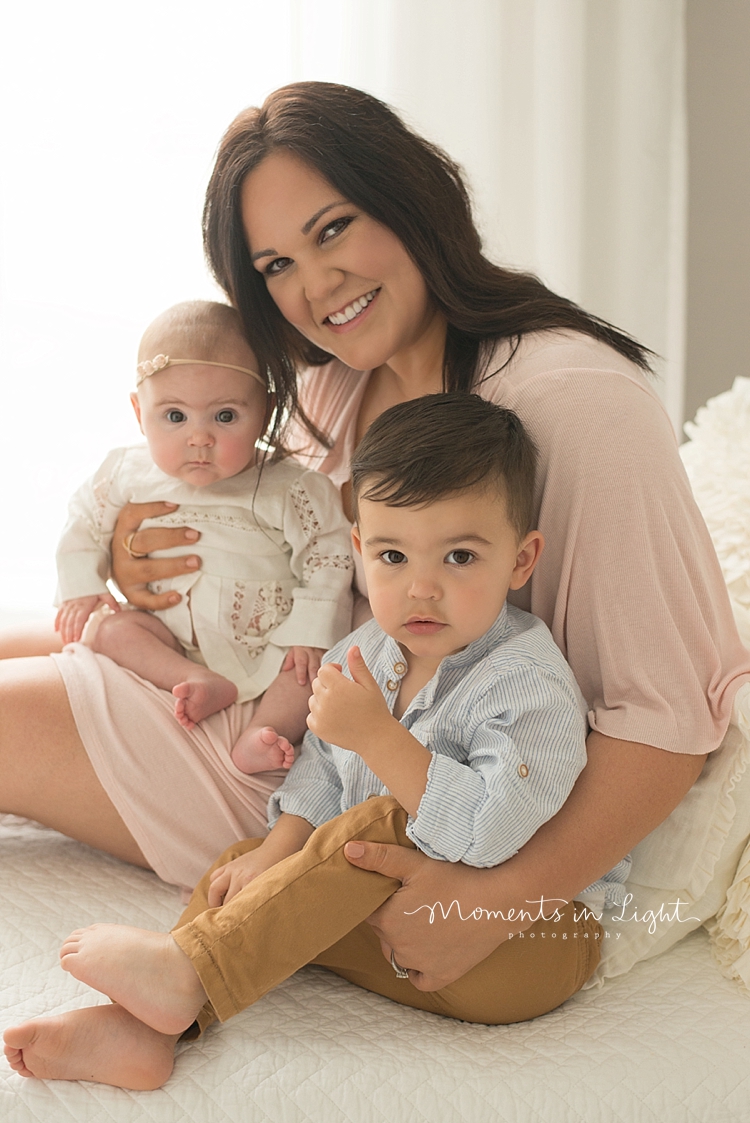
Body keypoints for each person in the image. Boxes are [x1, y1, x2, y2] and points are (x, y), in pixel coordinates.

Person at [1, 81, 749, 1088]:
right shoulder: (331, 384)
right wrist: (142, 563)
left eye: (333, 229)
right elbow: (304, 574)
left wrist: (505, 895)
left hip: (389, 781)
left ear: (409, 195)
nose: (315, 285)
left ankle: (183, 978)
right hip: (295, 724)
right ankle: (174, 996)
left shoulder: (572, 405)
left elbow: (668, 712)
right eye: (276, 265)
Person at [7, 394, 612, 1091]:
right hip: (399, 926)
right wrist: (278, 847)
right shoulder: (366, 651)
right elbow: (325, 768)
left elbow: (487, 832)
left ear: (521, 559)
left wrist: (380, 736)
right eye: (392, 554)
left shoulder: (527, 683)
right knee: (248, 867)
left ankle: (186, 969)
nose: (422, 587)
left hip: (511, 942)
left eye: (459, 556)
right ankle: (147, 1030)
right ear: (359, 552)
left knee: (381, 825)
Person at [54, 300, 354, 774]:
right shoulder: (125, 472)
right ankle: (190, 677)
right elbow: (85, 519)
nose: (199, 438)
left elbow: (329, 554)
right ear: (138, 411)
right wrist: (82, 585)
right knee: (110, 632)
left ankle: (264, 731)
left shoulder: (289, 487)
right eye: (175, 417)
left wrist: (310, 630)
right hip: (169, 635)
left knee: (307, 671)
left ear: (265, 411)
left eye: (225, 417)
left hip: (268, 640)